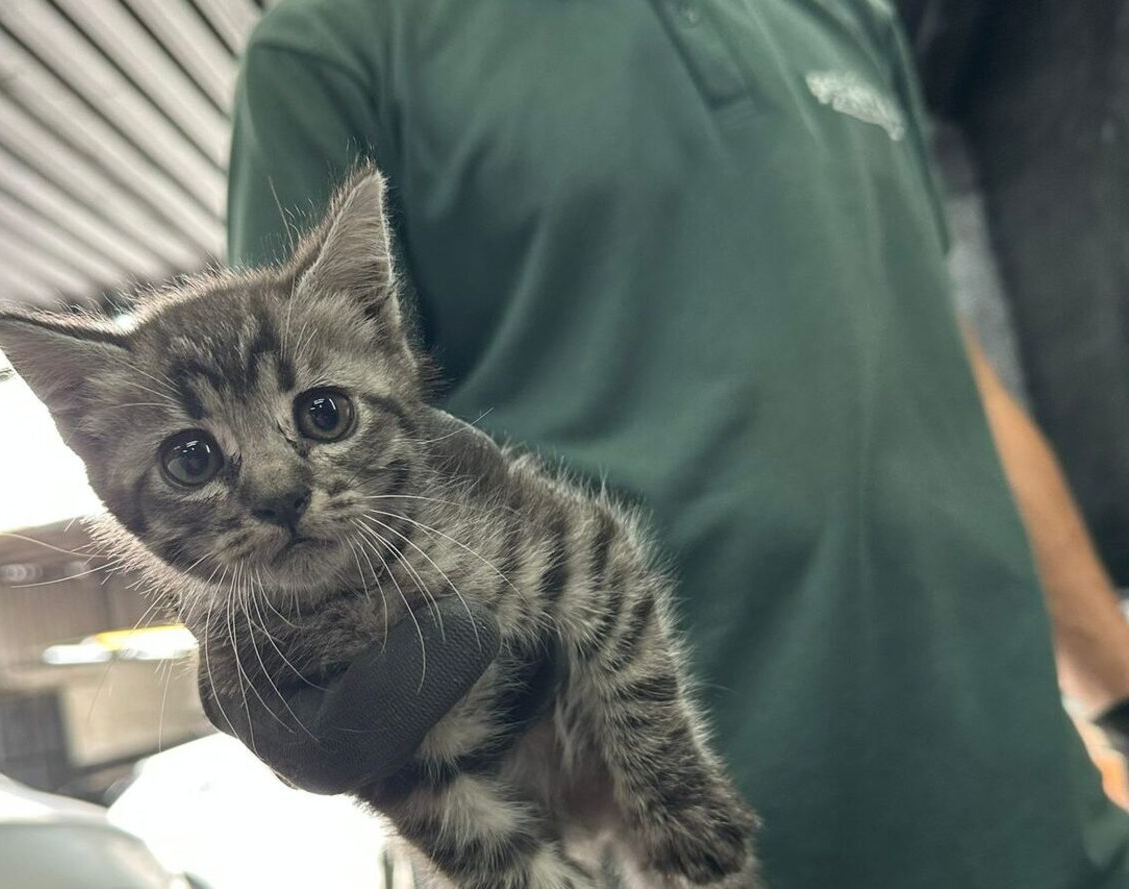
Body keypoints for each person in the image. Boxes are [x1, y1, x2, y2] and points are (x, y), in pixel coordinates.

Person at [218, 1, 1129, 885]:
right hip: (669, 844)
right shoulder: (330, 48)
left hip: (1042, 820)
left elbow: (949, 371)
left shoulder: (854, 17)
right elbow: (282, 437)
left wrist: (1121, 695)